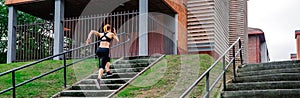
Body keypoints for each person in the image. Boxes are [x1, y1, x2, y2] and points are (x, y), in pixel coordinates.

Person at [86, 24, 119, 89]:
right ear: (110, 29)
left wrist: (88, 38)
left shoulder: (101, 34)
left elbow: (92, 31)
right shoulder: (111, 34)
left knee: (107, 59)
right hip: (105, 50)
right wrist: (115, 34)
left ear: (104, 29)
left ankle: (108, 71)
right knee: (102, 65)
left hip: (98, 50)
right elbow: (117, 40)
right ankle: (99, 79)